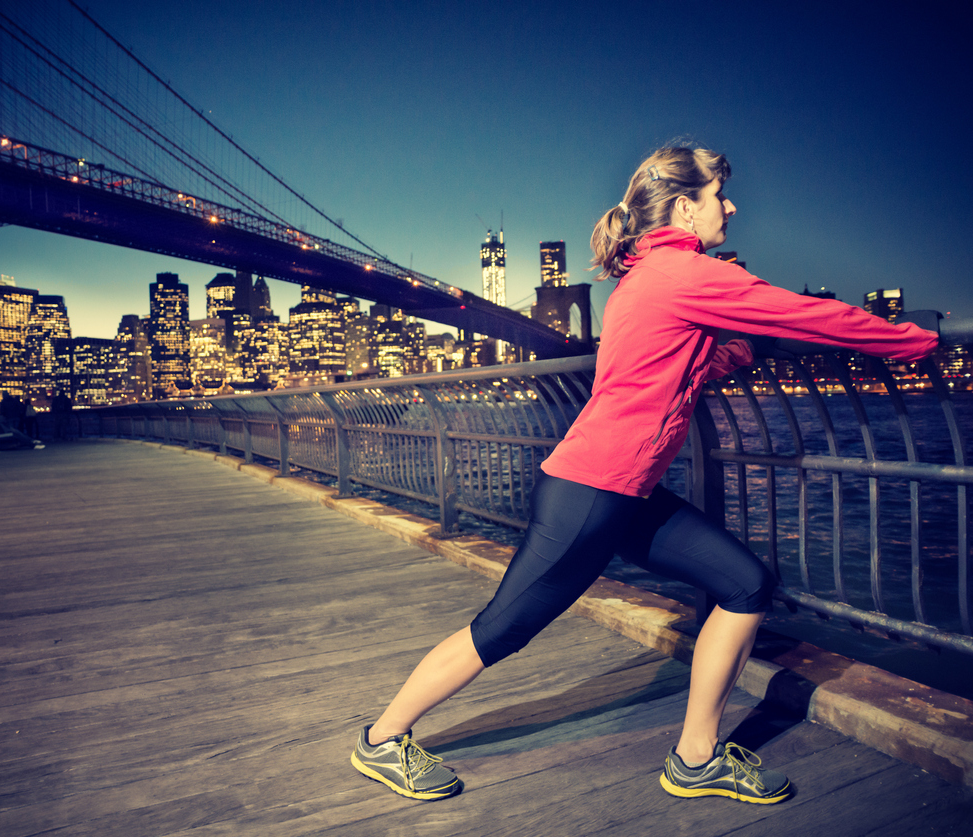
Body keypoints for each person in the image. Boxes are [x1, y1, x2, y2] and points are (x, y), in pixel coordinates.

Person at [350, 146, 939, 803]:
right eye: (721, 194)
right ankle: (381, 738)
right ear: (687, 206)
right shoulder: (683, 273)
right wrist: (916, 338)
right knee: (502, 629)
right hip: (590, 495)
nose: (732, 206)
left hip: (620, 493)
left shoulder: (647, 279)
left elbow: (686, 369)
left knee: (746, 584)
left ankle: (696, 756)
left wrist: (741, 344)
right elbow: (811, 314)